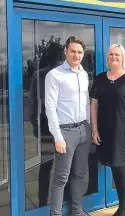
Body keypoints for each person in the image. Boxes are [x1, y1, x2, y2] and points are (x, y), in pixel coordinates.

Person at [90, 44, 125, 216]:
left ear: (123, 58)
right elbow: (93, 105)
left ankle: (123, 208)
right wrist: (95, 130)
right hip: (105, 131)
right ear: (107, 58)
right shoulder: (99, 79)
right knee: (114, 167)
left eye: (117, 55)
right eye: (111, 54)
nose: (114, 57)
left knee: (123, 168)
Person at [45, 36, 92, 216]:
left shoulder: (84, 74)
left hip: (83, 130)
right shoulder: (55, 75)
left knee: (79, 174)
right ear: (65, 51)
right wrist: (58, 137)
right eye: (72, 51)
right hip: (65, 133)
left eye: (80, 52)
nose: (76, 55)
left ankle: (77, 211)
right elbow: (50, 108)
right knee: (61, 178)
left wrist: (90, 127)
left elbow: (87, 104)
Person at [29, 42, 64, 207]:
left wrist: (34, 124)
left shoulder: (39, 74)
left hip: (46, 124)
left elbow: (33, 102)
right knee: (64, 166)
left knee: (46, 165)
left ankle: (43, 202)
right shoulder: (64, 72)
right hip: (62, 124)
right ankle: (63, 200)